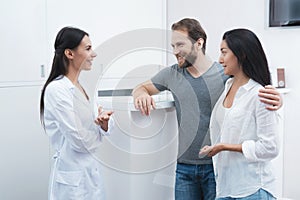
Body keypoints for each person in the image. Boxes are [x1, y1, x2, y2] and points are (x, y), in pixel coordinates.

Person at [132, 18, 282, 200]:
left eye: (180, 44)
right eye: (172, 46)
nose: (175, 51)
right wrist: (141, 95)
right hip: (184, 168)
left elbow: (253, 89)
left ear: (199, 43)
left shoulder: (225, 74)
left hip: (216, 166)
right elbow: (141, 87)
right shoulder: (172, 74)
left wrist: (277, 100)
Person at [200, 28, 279, 199]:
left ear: (241, 54)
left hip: (252, 190)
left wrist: (224, 147)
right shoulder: (228, 86)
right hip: (226, 188)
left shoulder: (260, 95)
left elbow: (270, 148)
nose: (220, 60)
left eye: (224, 52)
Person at [39, 27, 113, 200]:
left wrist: (104, 125)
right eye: (87, 49)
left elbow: (98, 126)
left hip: (91, 173)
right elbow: (80, 141)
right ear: (69, 54)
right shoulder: (56, 90)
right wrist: (99, 133)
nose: (93, 54)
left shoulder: (84, 86)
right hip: (72, 180)